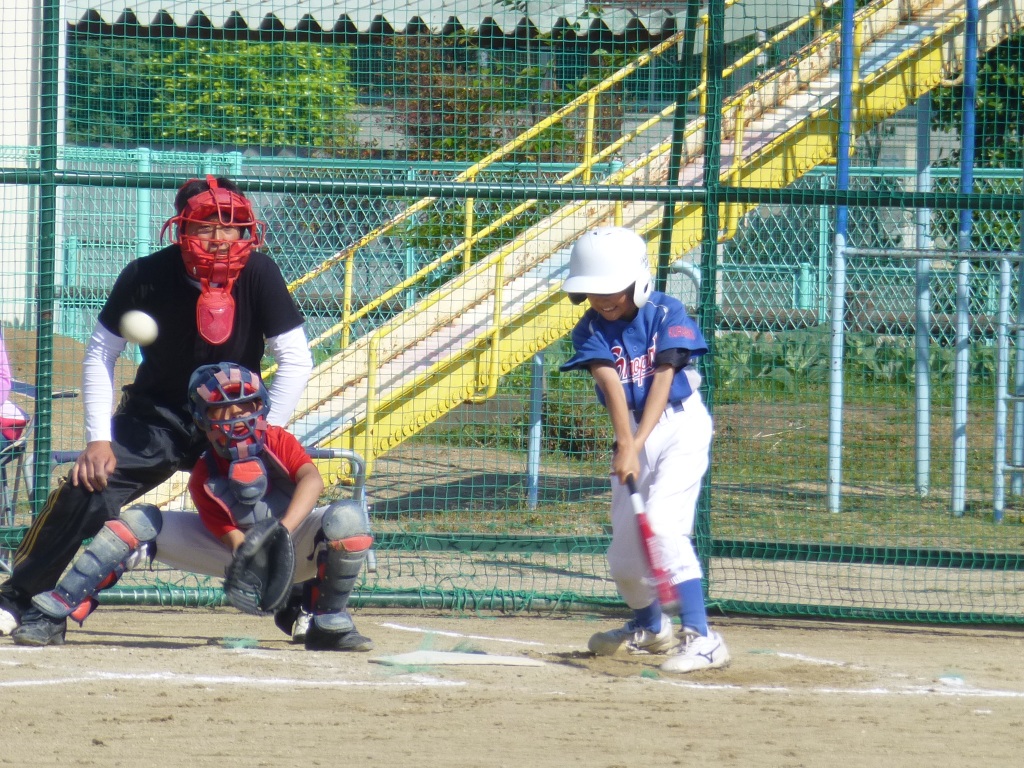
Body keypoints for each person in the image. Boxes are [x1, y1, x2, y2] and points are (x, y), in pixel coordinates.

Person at [2, 176, 314, 643]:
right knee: (87, 486)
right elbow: (100, 353)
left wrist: (262, 435)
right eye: (206, 224)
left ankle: (297, 604)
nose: (220, 237)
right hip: (156, 418)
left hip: (232, 419)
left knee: (267, 493)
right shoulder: (146, 274)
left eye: (230, 225)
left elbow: (296, 358)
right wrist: (98, 440)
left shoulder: (259, 272)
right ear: (181, 227)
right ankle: (18, 596)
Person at [13, 362, 372, 651]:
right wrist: (255, 557)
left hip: (293, 539)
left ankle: (327, 621)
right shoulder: (204, 475)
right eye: (221, 410)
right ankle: (55, 612)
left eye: (244, 405)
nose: (235, 418)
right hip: (239, 554)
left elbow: (312, 480)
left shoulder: (277, 440)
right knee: (137, 521)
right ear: (203, 420)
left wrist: (281, 531)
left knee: (347, 518)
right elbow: (232, 538)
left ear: (260, 407)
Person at [559, 225, 729, 673]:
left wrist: (635, 444)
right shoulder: (588, 328)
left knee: (665, 527)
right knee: (624, 559)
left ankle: (703, 638)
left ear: (638, 280)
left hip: (679, 425)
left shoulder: (666, 311)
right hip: (632, 429)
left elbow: (663, 379)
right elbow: (611, 384)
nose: (601, 299)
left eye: (611, 288)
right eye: (592, 290)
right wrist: (627, 443)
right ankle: (651, 628)